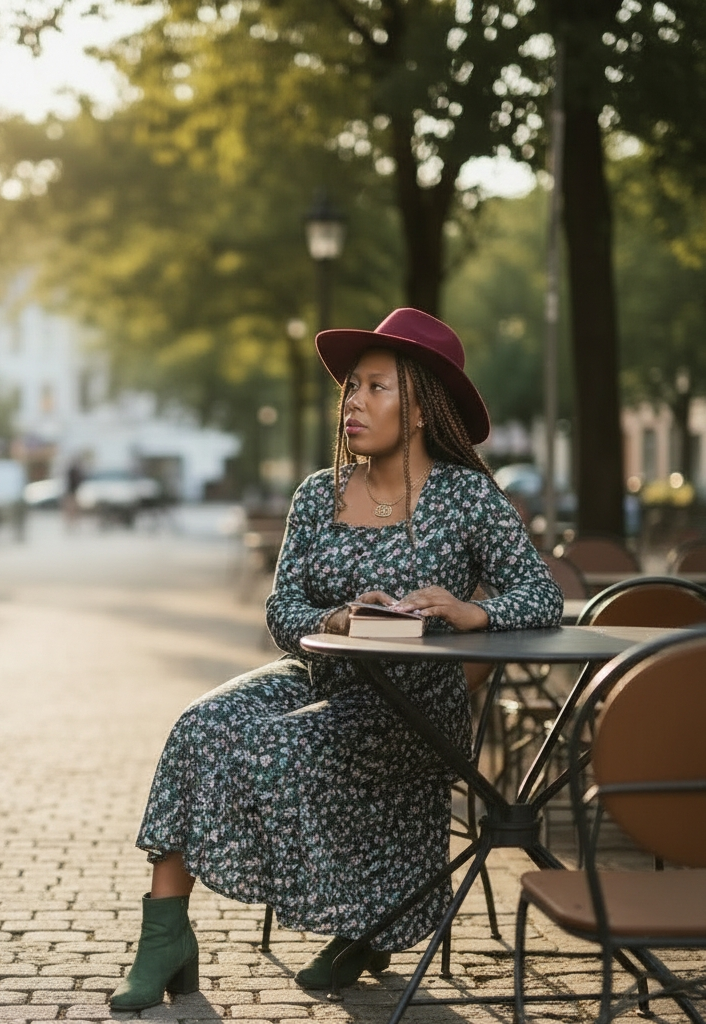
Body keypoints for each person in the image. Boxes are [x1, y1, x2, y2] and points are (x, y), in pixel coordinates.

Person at [110, 308, 563, 1011]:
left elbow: (541, 595)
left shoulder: (468, 496)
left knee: (279, 748)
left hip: (417, 703)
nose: (354, 402)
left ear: (419, 410)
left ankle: (367, 921)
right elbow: (280, 611)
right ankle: (165, 933)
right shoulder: (318, 495)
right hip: (320, 674)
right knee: (198, 725)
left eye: (376, 388)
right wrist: (337, 617)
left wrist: (476, 612)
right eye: (352, 387)